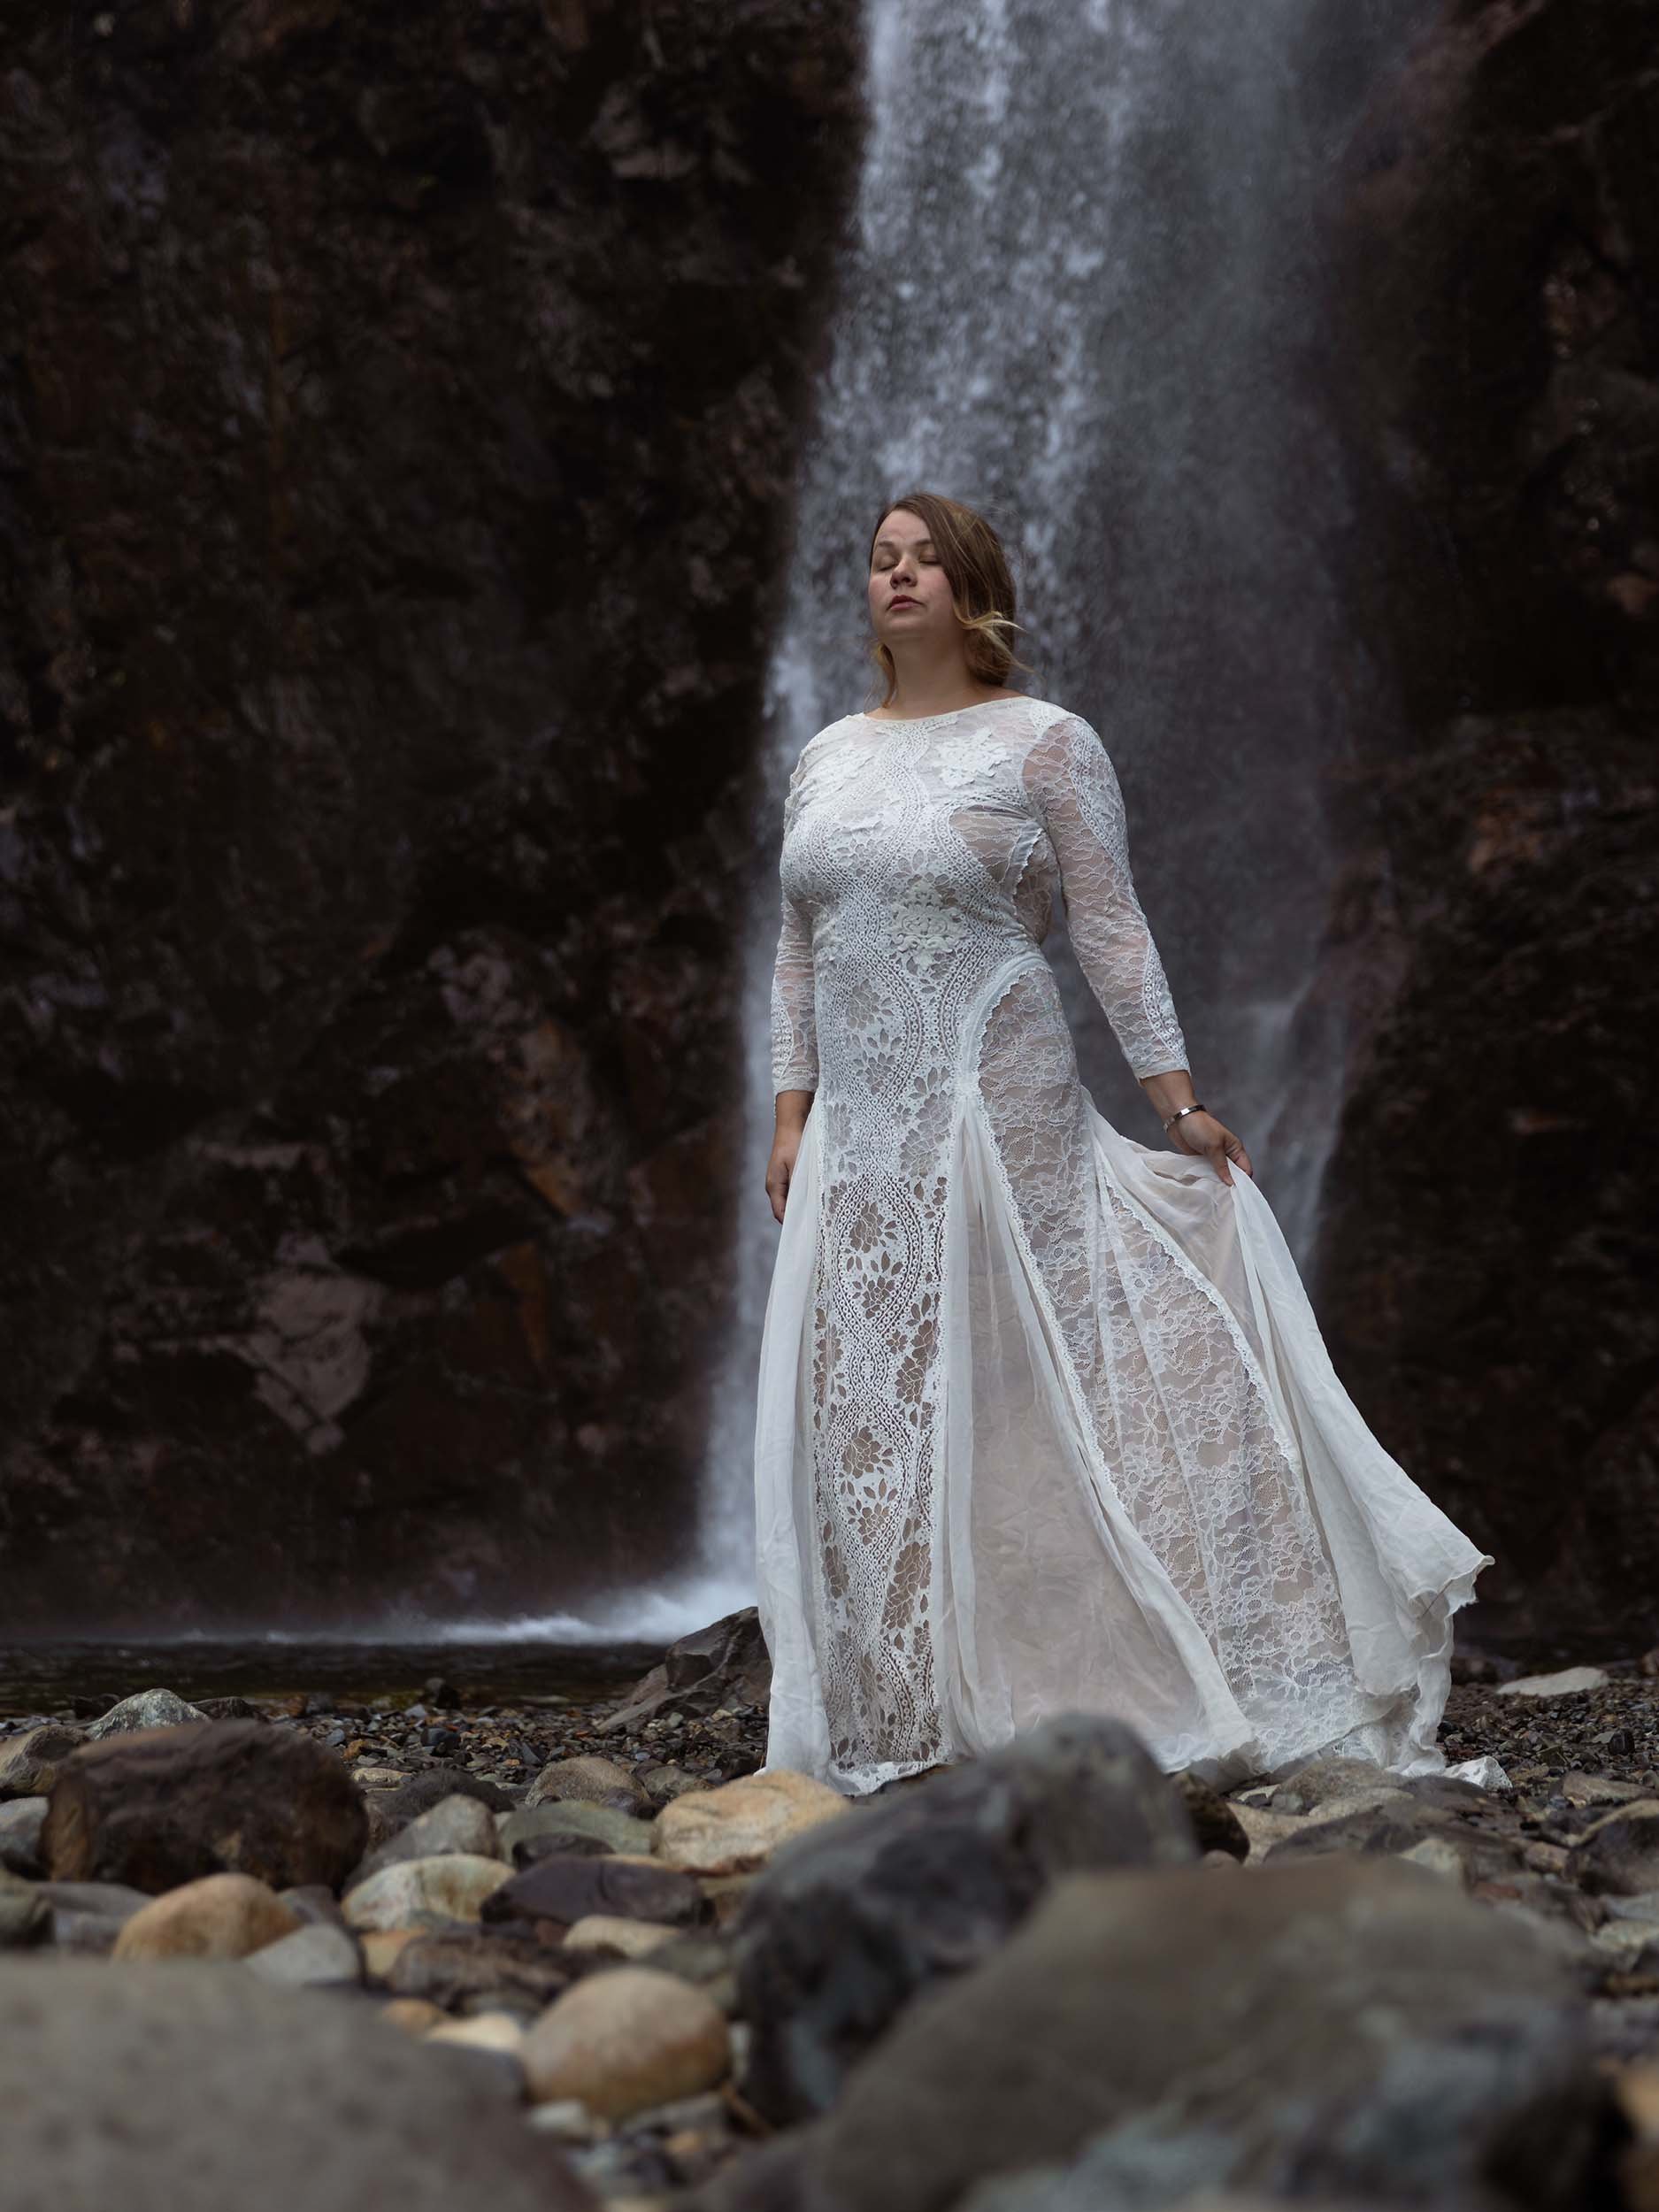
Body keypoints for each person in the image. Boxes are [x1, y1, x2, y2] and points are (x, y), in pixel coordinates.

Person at [755, 488, 1494, 1797]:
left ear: (974, 585)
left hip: (999, 1078)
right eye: (882, 560)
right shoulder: (824, 755)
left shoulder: (1046, 743)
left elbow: (1110, 926)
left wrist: (1174, 1102)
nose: (901, 576)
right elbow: (799, 949)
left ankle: (1120, 1664)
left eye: (927, 558)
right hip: (860, 1119)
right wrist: (789, 1115)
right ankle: (900, 1699)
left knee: (1037, 1357)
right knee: (871, 1388)